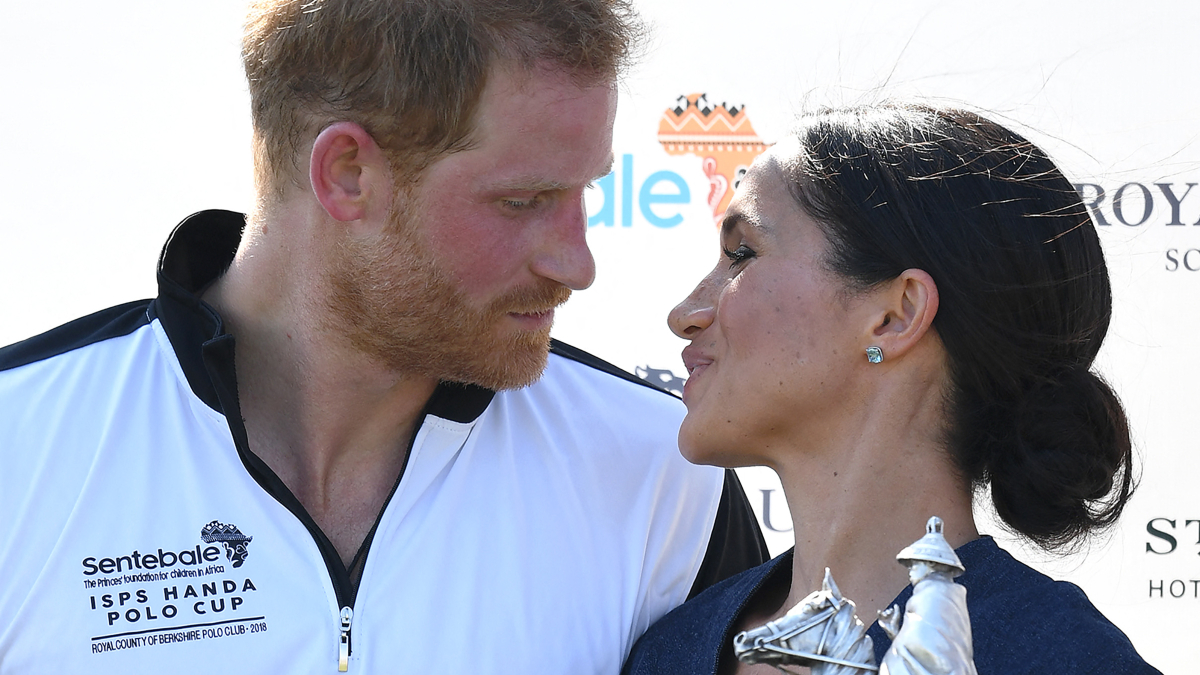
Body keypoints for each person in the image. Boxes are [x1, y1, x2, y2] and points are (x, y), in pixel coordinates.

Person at [0, 1, 767, 672]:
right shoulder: (20, 444)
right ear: (346, 174)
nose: (579, 261)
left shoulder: (664, 473)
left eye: (585, 192)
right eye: (524, 200)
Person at [621, 102, 1162, 674]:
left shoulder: (1058, 660)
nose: (685, 313)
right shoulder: (670, 651)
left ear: (896, 316)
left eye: (743, 255)